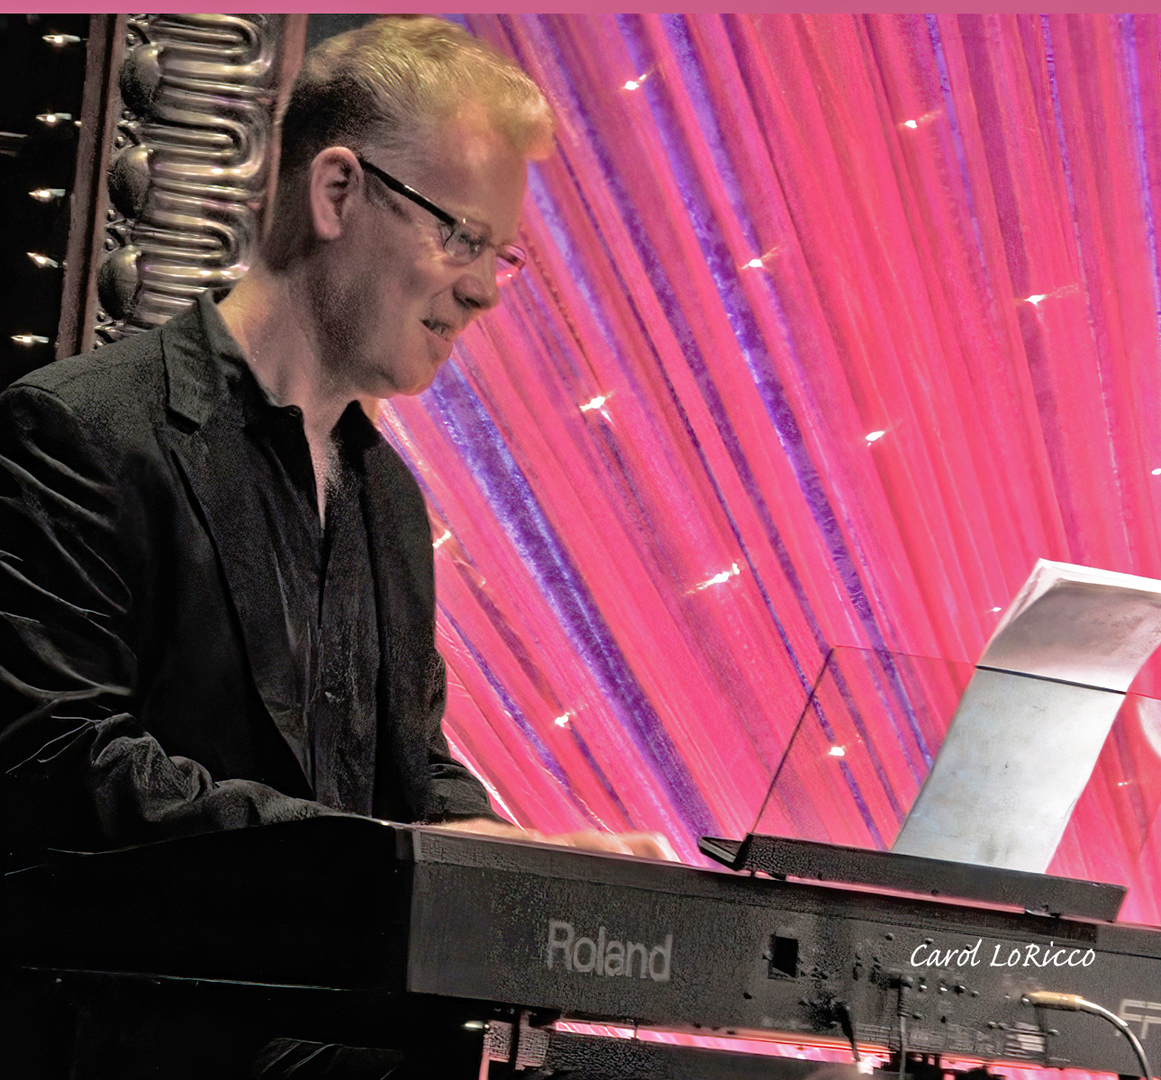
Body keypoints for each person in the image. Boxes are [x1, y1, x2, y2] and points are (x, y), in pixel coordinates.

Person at [0, 18, 669, 868]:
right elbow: (62, 763)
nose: (484, 292)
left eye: (500, 255)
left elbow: (413, 779)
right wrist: (379, 853)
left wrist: (525, 862)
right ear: (337, 191)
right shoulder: (75, 431)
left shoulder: (388, 496)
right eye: (461, 236)